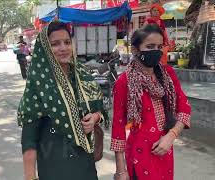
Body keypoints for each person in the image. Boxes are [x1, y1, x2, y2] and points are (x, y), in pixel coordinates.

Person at [18, 21, 104, 180]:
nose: (63, 48)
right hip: (54, 164)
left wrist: (95, 118)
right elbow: (29, 138)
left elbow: (99, 109)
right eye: (55, 44)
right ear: (45, 48)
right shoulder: (38, 83)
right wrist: (30, 176)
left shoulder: (81, 74)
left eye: (67, 42)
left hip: (85, 162)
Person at [111, 24, 191, 180]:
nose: (156, 50)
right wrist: (121, 170)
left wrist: (171, 136)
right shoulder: (124, 82)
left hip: (165, 150)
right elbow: (118, 125)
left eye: (159, 46)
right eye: (150, 46)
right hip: (139, 153)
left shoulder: (168, 74)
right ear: (135, 50)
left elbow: (185, 109)